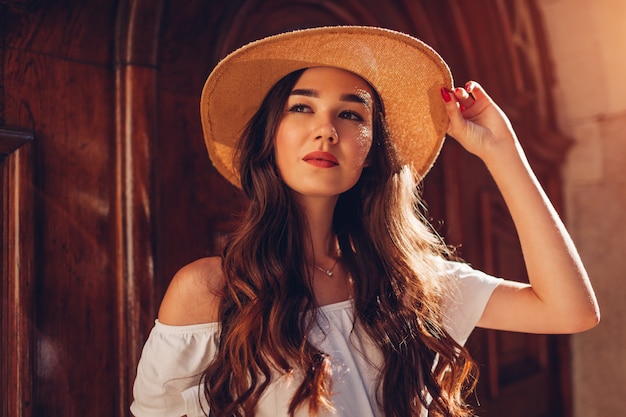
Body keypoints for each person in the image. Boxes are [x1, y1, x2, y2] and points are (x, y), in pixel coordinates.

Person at [130, 26, 599, 417]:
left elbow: (570, 310)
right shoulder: (210, 289)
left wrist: (502, 152)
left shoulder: (410, 283)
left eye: (350, 114)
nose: (326, 128)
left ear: (372, 153)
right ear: (269, 138)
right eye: (301, 106)